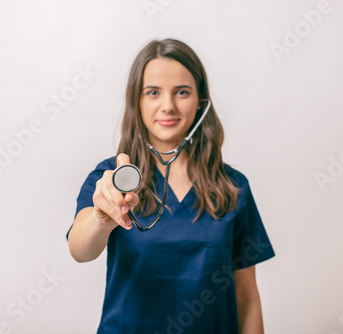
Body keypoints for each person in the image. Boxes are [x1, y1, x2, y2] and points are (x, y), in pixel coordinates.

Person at [66, 38, 275, 334]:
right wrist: (101, 219)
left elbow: (247, 298)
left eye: (182, 92)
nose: (168, 106)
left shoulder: (233, 187)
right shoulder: (111, 178)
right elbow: (80, 249)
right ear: (136, 102)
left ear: (201, 102)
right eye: (153, 92)